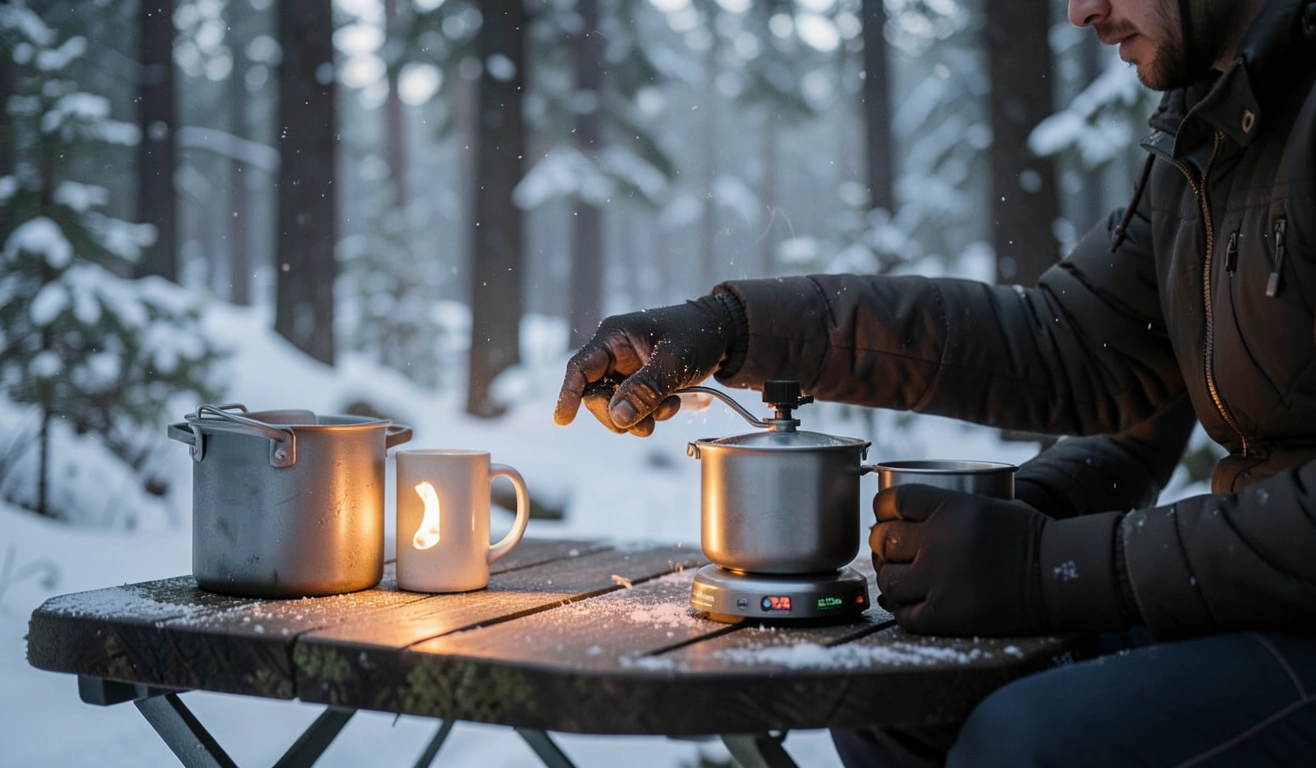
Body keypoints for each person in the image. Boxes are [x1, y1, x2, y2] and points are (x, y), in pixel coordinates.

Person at [553, 0, 1316, 764]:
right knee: (899, 699)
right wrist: (734, 331)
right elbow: (1072, 342)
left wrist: (1053, 566)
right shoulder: (1214, 124)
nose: (1083, 11)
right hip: (1265, 597)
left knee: (1027, 744)